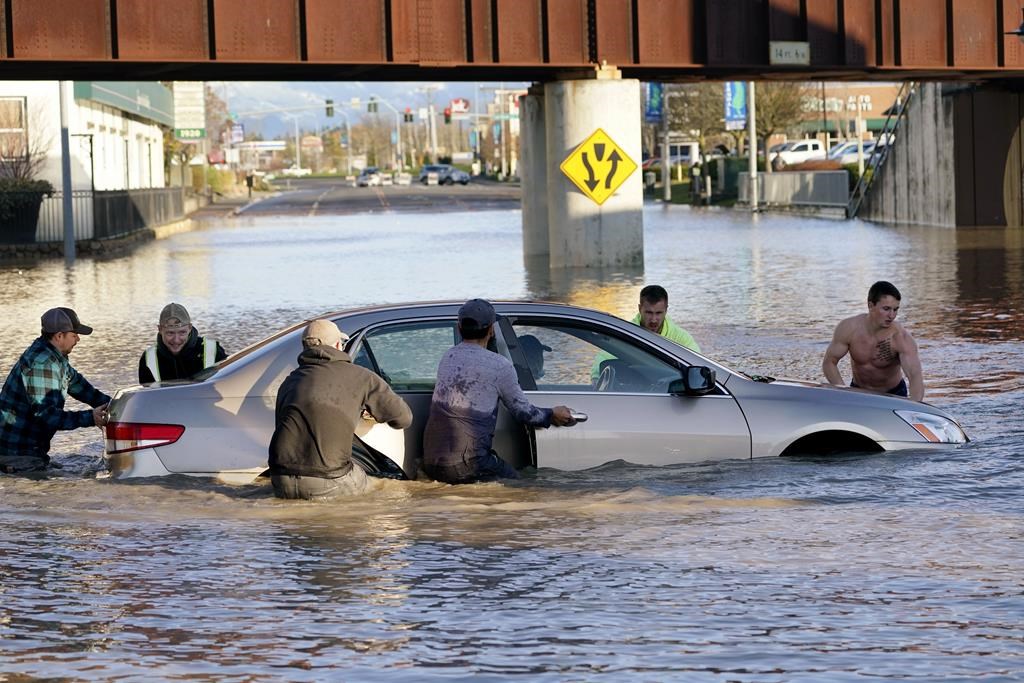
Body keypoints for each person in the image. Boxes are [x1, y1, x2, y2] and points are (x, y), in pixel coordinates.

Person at [423, 299, 577, 484]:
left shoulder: (448, 357)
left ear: (459, 328)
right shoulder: (499, 366)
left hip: (432, 463)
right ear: (491, 330)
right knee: (525, 490)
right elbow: (524, 413)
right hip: (469, 463)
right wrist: (553, 414)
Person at [268, 319, 412, 500]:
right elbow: (403, 419)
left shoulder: (289, 382)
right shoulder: (361, 376)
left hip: (280, 480)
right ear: (338, 345)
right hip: (329, 480)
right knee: (384, 486)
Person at [0, 307, 110, 473]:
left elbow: (80, 386)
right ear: (59, 336)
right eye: (74, 335)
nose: (78, 339)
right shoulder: (42, 364)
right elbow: (47, 416)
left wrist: (115, 404)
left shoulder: (54, 357)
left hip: (31, 452)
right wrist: (90, 418)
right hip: (17, 455)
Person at [822, 281, 924, 401]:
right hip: (858, 391)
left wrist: (914, 409)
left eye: (895, 309)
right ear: (871, 306)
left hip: (893, 394)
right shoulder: (849, 328)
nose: (892, 315)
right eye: (886, 309)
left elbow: (915, 376)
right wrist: (844, 391)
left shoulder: (900, 338)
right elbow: (829, 362)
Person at [590, 285, 700, 382]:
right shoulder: (626, 333)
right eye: (648, 313)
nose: (653, 319)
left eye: (658, 313)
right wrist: (596, 378)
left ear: (666, 310)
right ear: (639, 308)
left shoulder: (680, 337)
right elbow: (602, 358)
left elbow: (698, 365)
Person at [138, 303, 227, 384]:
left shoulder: (213, 350)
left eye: (182, 332)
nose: (176, 340)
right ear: (160, 329)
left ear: (190, 328)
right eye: (170, 333)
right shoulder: (148, 359)